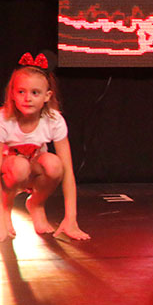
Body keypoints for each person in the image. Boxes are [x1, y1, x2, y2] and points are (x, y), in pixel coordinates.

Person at [0, 52, 89, 242]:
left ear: (47, 96)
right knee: (20, 166)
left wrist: (71, 218)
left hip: (34, 171)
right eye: (21, 92)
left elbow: (68, 172)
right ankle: (5, 209)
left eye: (35, 93)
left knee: (55, 164)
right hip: (10, 173)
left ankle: (36, 204)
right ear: (12, 93)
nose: (27, 98)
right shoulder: (4, 119)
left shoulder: (54, 120)